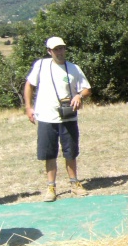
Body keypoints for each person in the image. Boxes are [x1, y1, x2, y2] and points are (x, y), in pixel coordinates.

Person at [24, 36, 92, 202]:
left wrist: (78, 96)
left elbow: (87, 88)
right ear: (49, 51)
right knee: (49, 153)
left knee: (70, 151)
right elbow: (29, 85)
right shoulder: (40, 65)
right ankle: (51, 186)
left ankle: (74, 184)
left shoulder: (74, 68)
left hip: (68, 117)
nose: (60, 52)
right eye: (56, 49)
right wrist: (28, 107)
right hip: (46, 117)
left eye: (62, 48)